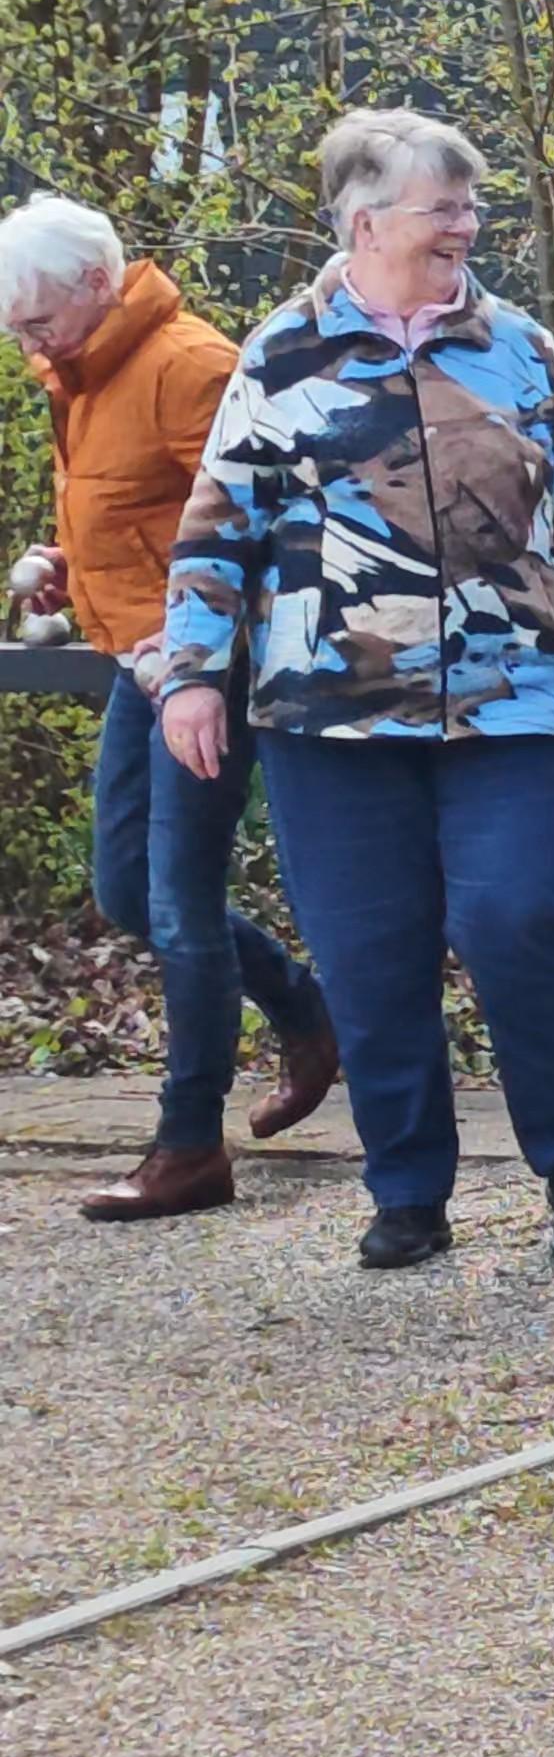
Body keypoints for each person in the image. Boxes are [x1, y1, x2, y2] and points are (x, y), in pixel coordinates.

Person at [158, 109, 554, 1271]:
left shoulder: (521, 347)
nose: (467, 226)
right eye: (446, 207)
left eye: (471, 206)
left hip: (513, 697)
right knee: (369, 953)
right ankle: (408, 1191)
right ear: (366, 219)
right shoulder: (282, 354)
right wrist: (192, 675)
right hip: (329, 716)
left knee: (518, 918)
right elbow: (213, 533)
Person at [1, 196, 337, 1220]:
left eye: (35, 322)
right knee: (126, 892)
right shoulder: (81, 368)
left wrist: (194, 654)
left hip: (208, 673)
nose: (26, 344)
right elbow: (142, 504)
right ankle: (306, 1009)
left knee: (180, 902)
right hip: (134, 663)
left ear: (97, 287)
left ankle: (190, 1146)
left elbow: (269, 523)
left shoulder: (192, 365)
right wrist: (64, 558)